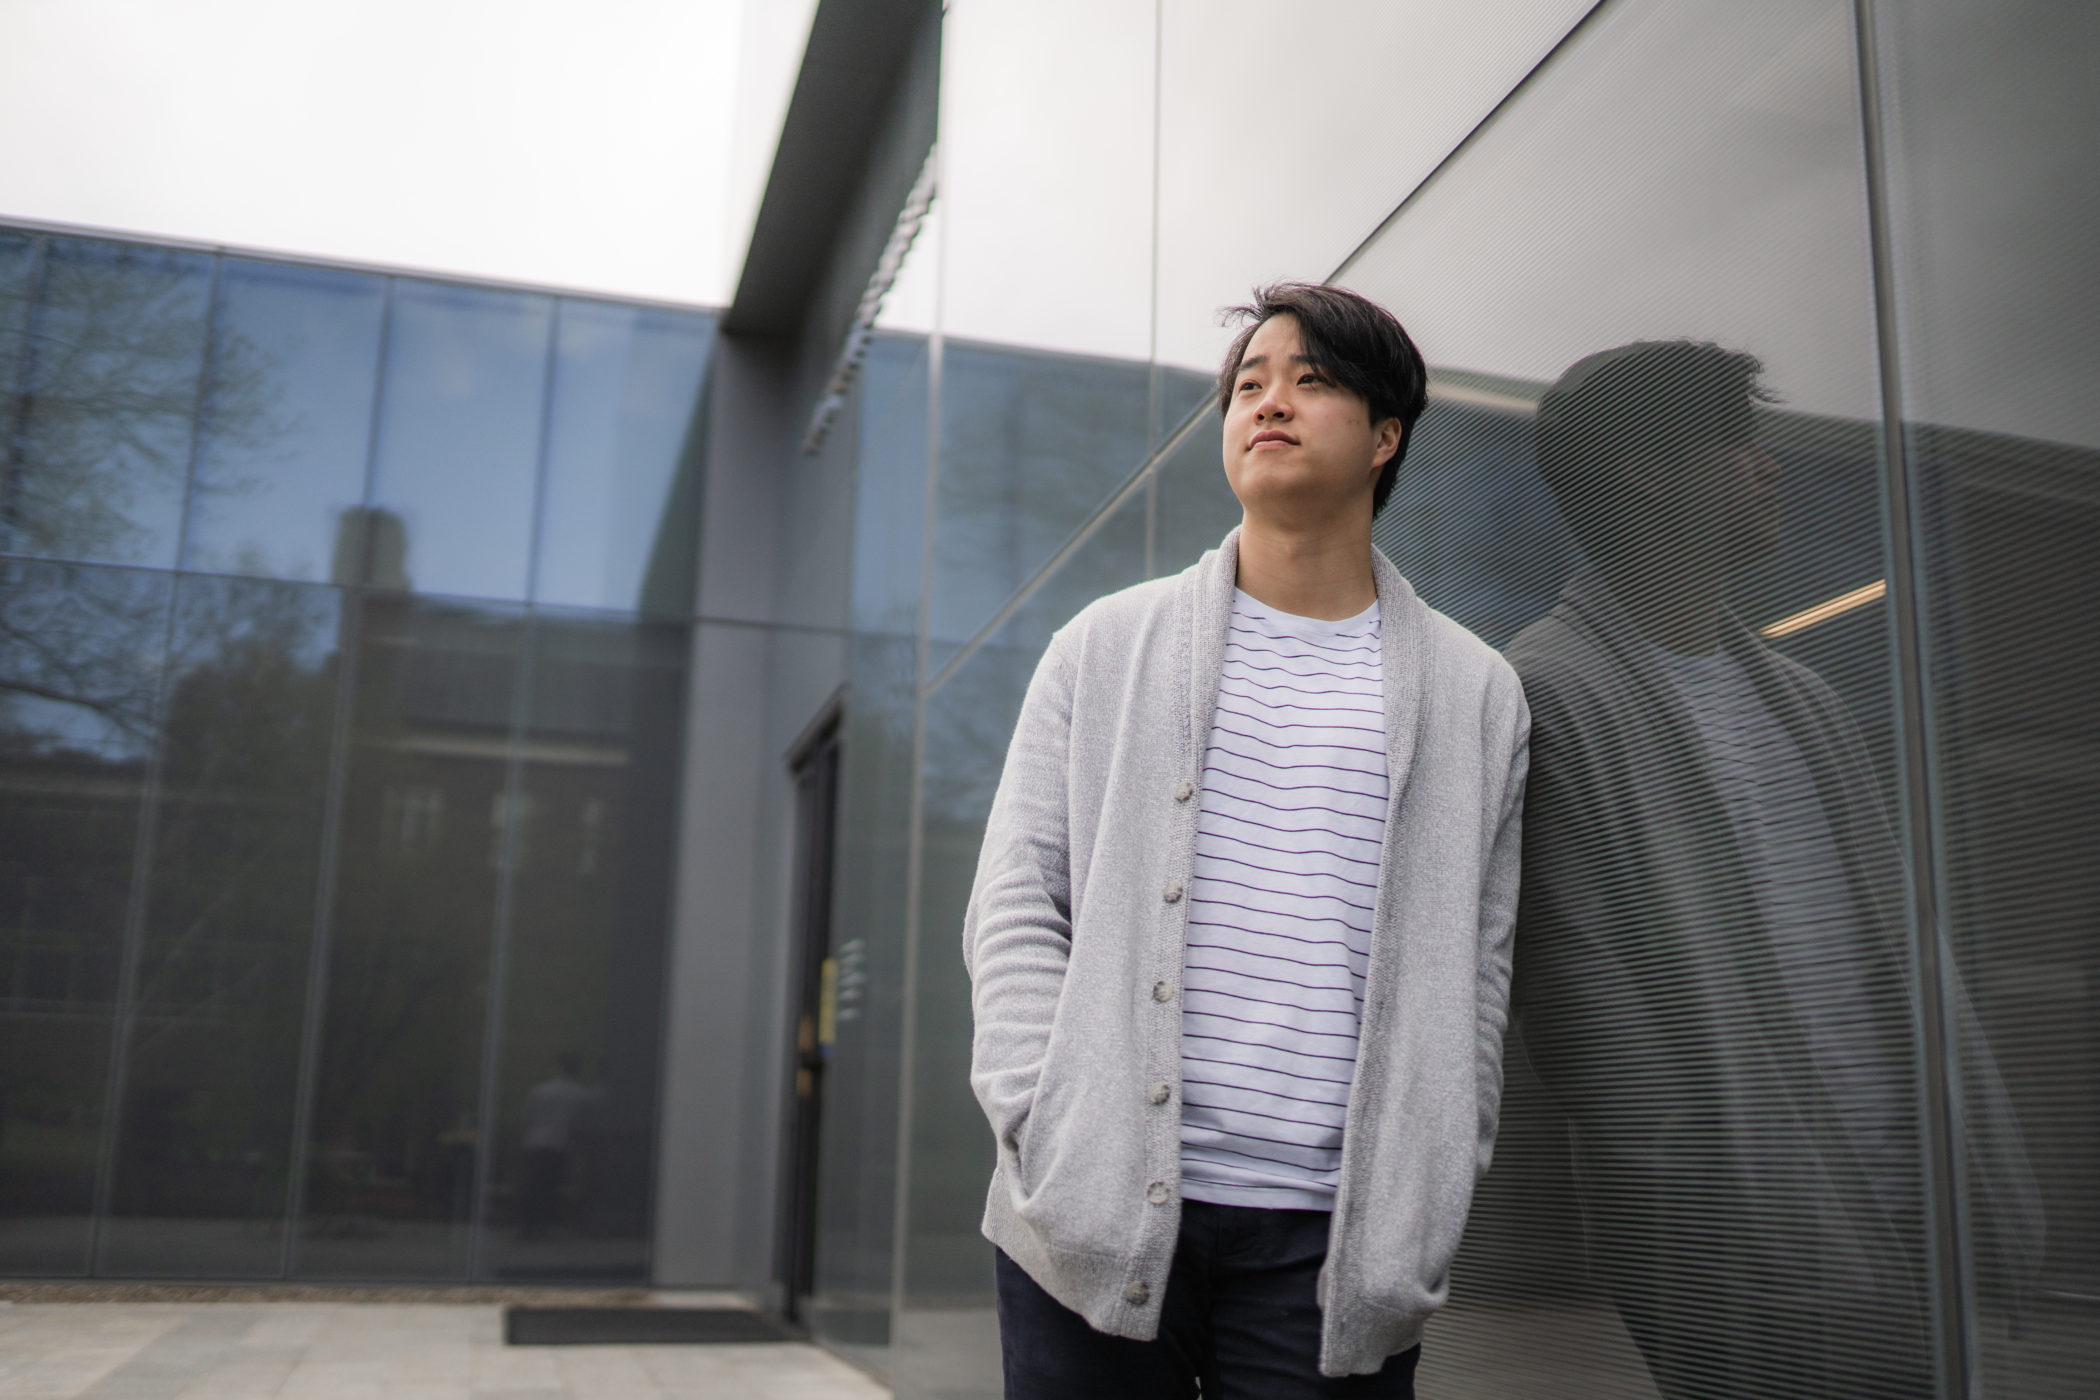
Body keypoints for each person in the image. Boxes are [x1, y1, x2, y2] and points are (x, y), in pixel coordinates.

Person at [964, 282, 1531, 1397]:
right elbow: (1019, 902)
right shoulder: (1105, 646)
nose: (1269, 401)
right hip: (1092, 1204)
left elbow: (1482, 961)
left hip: (1336, 1244)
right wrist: (1043, 1120)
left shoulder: (1477, 692)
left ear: (1386, 435)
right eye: (1248, 383)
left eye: (1312, 379)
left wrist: (1436, 1174)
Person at [1505, 340, 2042, 1398]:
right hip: (1746, 1238)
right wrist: (1700, 1186)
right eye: (1736, 439)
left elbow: (1892, 950)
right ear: (1649, 473)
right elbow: (1579, 993)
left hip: (1901, 1212)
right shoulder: (1549, 693)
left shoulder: (1802, 696)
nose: (1770, 463)